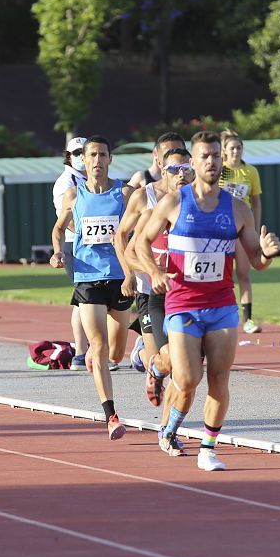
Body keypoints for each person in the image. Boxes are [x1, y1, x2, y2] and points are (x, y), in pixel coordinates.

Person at [136, 131, 280, 471]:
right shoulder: (174, 203)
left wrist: (270, 254)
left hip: (221, 306)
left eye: (216, 156)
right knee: (187, 380)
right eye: (205, 156)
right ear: (193, 162)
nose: (212, 162)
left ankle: (207, 447)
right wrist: (153, 273)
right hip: (183, 304)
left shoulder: (239, 209)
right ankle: (168, 425)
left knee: (219, 378)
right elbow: (141, 242)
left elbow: (256, 262)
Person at [50, 135, 135, 440]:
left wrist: (133, 268)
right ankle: (111, 415)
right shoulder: (74, 195)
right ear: (82, 161)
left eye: (102, 155)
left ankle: (99, 358)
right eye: (92, 156)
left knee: (115, 353)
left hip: (120, 278)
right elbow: (58, 229)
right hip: (88, 277)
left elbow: (139, 232)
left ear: (110, 159)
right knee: (97, 346)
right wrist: (58, 252)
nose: (97, 161)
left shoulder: (125, 193)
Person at [116, 144, 191, 406]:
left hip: (188, 296)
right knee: (168, 359)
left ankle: (170, 428)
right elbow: (125, 242)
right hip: (152, 291)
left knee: (187, 369)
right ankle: (151, 363)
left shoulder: (202, 208)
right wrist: (145, 273)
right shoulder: (146, 203)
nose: (181, 174)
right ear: (161, 166)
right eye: (174, 169)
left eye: (185, 168)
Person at [218, 128, 264, 333]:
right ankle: (219, 314)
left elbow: (256, 201)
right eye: (232, 148)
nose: (236, 151)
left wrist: (254, 228)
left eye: (239, 147)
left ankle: (248, 319)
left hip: (243, 227)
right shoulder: (221, 169)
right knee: (220, 275)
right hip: (222, 228)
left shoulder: (250, 171)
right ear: (225, 151)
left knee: (244, 273)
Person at [52, 137, 91, 370]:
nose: (80, 155)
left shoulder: (90, 178)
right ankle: (80, 352)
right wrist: (92, 233)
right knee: (82, 298)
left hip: (94, 246)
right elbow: (65, 221)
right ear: (68, 156)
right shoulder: (65, 182)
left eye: (84, 151)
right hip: (74, 245)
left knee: (96, 297)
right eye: (76, 152)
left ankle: (93, 350)